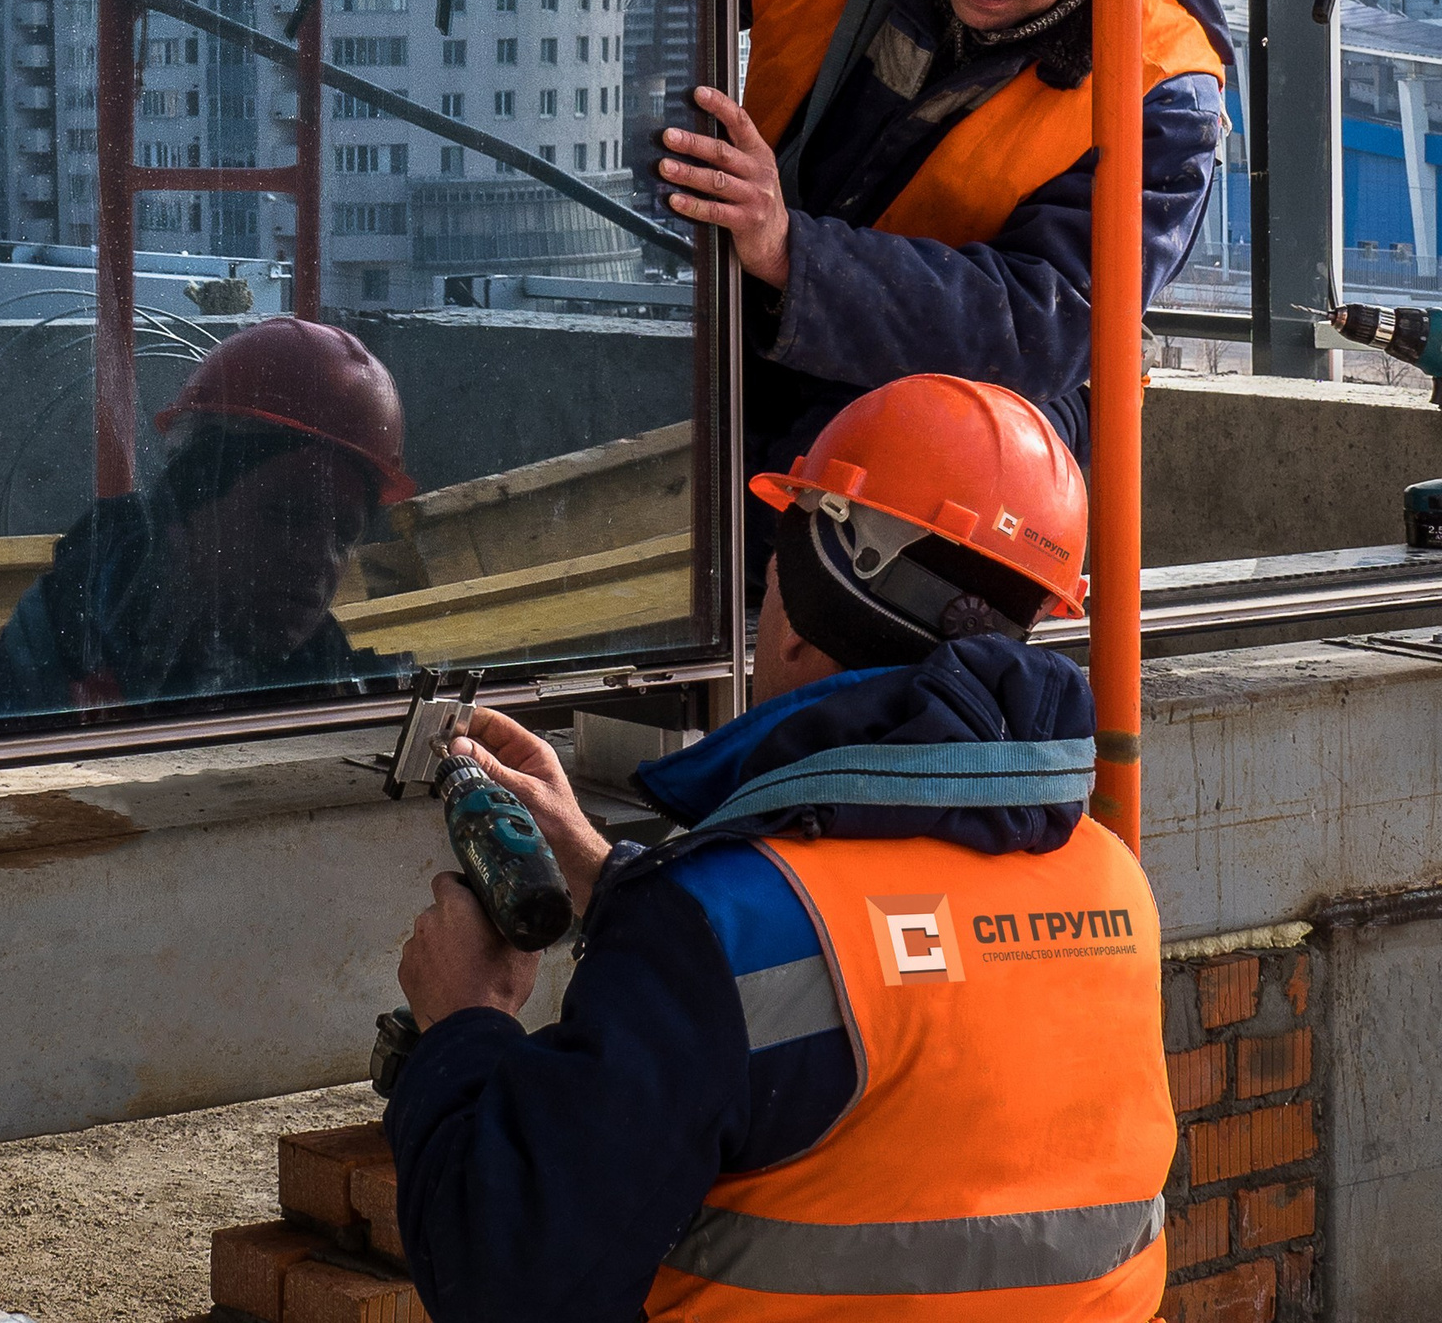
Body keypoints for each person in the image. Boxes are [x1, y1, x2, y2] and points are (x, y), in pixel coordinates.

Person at [384, 376, 1175, 1323]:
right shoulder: (1109, 878)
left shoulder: (717, 937)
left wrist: (463, 1023)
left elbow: (502, 1276)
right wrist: (605, 877)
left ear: (799, 613)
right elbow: (853, 975)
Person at [655, 0, 1232, 493]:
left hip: (979, 396)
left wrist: (795, 254)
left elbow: (1046, 323)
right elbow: (640, 4)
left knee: (929, 465)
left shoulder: (1163, 92)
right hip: (759, 323)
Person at [0, 316, 411, 726]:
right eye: (286, 516)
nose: (316, 560)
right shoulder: (10, 701)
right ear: (191, 503)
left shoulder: (335, 690)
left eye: (344, 535)